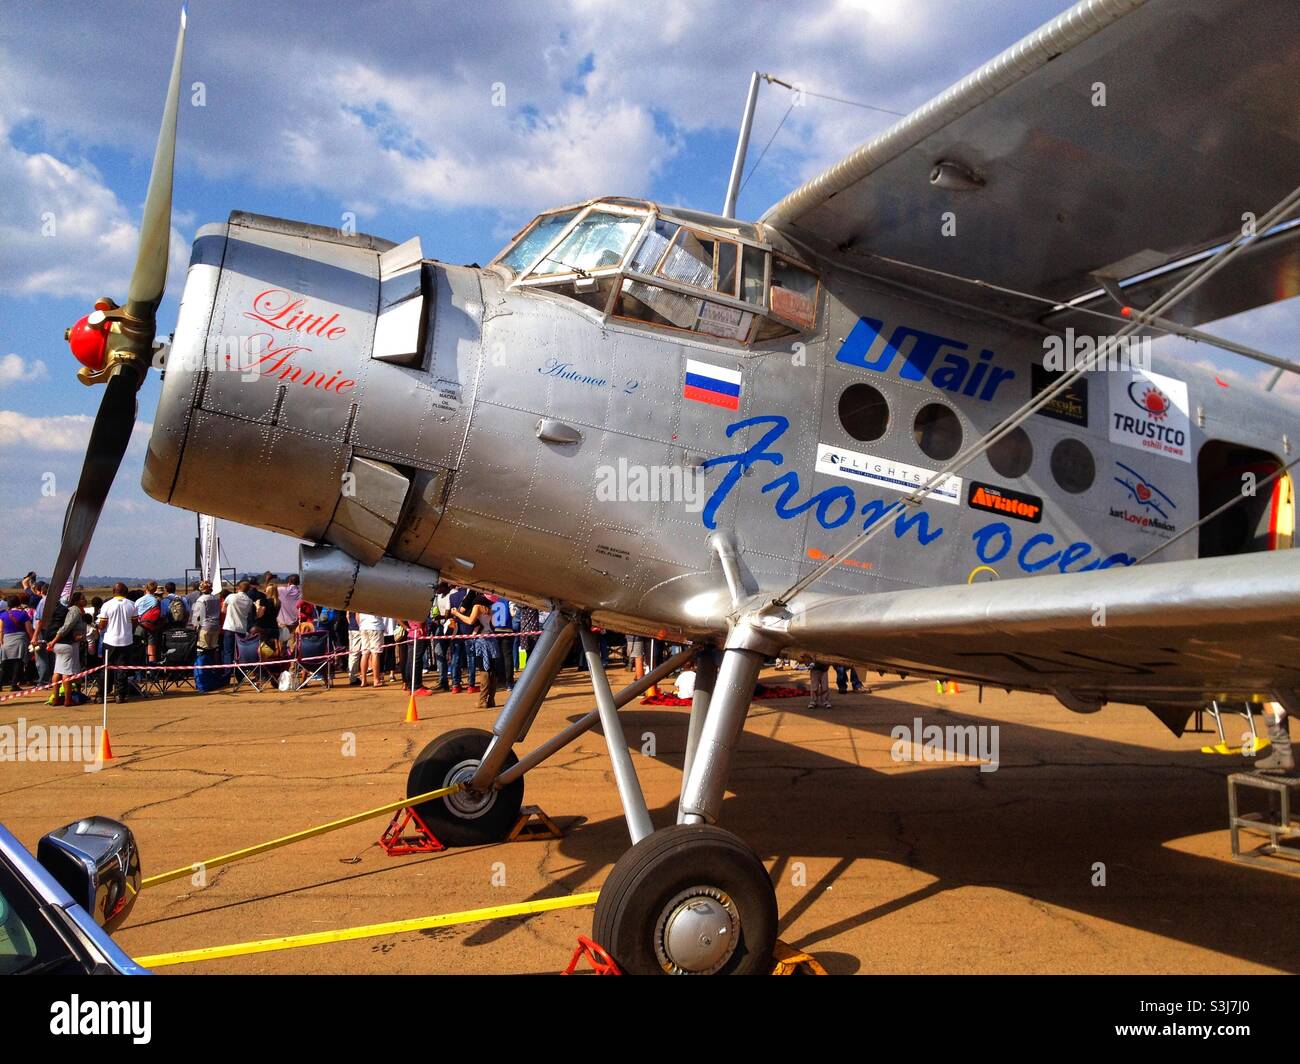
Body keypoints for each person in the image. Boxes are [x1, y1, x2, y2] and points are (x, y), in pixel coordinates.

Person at [451, 590, 503, 708]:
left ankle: (482, 700)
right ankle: (491, 700)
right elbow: (491, 625)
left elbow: (470, 621)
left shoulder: (477, 606)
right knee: (492, 671)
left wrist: (457, 614)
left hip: (482, 641)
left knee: (484, 670)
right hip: (491, 639)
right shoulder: (490, 608)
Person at [97, 583, 137, 704]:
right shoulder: (132, 604)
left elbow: (102, 625)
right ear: (126, 592)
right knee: (122, 668)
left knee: (106, 668)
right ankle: (120, 695)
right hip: (126, 641)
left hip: (110, 640)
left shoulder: (107, 605)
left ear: (114, 591)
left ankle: (101, 694)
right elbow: (135, 622)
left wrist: (98, 625)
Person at [48, 591, 88, 708]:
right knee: (67, 672)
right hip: (66, 645)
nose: (85, 600)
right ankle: (67, 699)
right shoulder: (74, 611)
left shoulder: (74, 611)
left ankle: (55, 698)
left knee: (58, 670)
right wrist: (54, 640)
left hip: (60, 644)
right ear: (77, 601)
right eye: (83, 598)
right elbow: (66, 627)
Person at [190, 580, 222, 692]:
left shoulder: (201, 599)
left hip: (205, 627)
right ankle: (212, 679)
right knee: (212, 652)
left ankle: (202, 682)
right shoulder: (216, 598)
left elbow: (196, 616)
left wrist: (194, 627)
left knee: (202, 651)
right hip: (216, 626)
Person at [221, 579, 255, 680]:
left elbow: (223, 610)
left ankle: (227, 674)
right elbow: (248, 613)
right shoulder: (249, 601)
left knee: (228, 651)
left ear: (238, 588)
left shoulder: (231, 597)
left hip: (230, 627)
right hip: (241, 628)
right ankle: (240, 675)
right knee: (240, 652)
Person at [0, 595, 34, 691]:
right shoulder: (23, 614)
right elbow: (29, 630)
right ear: (18, 603)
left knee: (5, 663)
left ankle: (0, 684)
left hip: (6, 639)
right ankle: (14, 684)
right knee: (18, 662)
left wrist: (1, 641)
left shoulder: (3, 615)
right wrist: (33, 639)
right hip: (20, 640)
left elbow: (1, 630)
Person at [357, 612, 384, 687]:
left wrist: (361, 625)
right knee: (375, 653)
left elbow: (357, 614)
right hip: (375, 626)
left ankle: (363, 680)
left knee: (365, 654)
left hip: (363, 626)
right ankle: (376, 680)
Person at [277, 574, 302, 653]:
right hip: (295, 621)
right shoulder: (301, 593)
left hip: (282, 621)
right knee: (293, 643)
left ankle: (281, 660)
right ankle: (292, 662)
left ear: (289, 581)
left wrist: (268, 580)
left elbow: (268, 590)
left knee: (281, 643)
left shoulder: (282, 590)